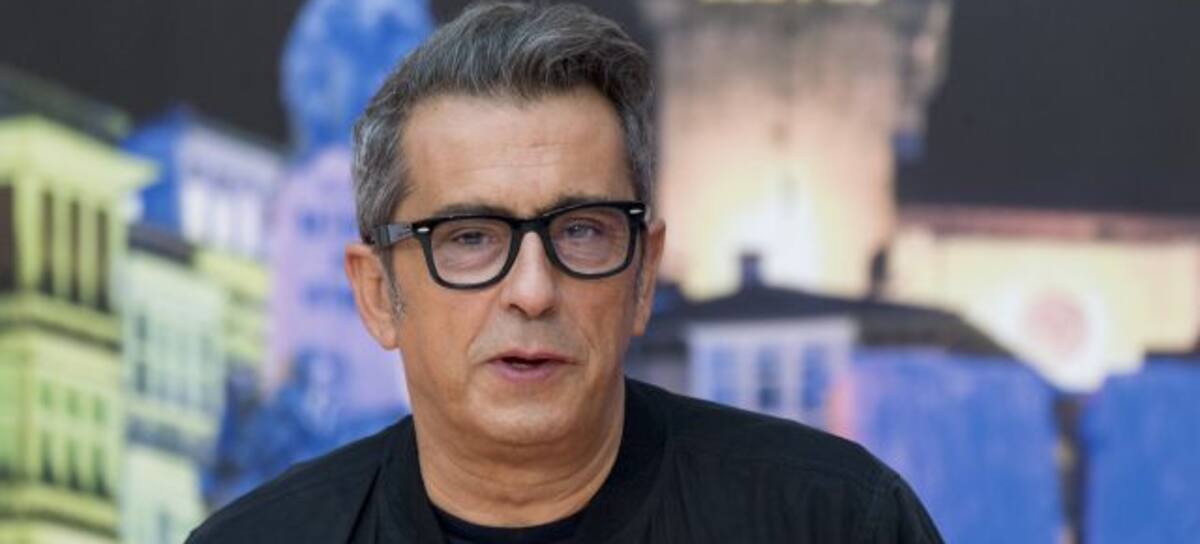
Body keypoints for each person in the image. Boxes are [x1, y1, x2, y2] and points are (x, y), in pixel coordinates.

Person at [188, 2, 943, 542]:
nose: (531, 290)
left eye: (580, 232)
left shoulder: (834, 520)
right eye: (470, 238)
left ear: (643, 275)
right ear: (378, 293)